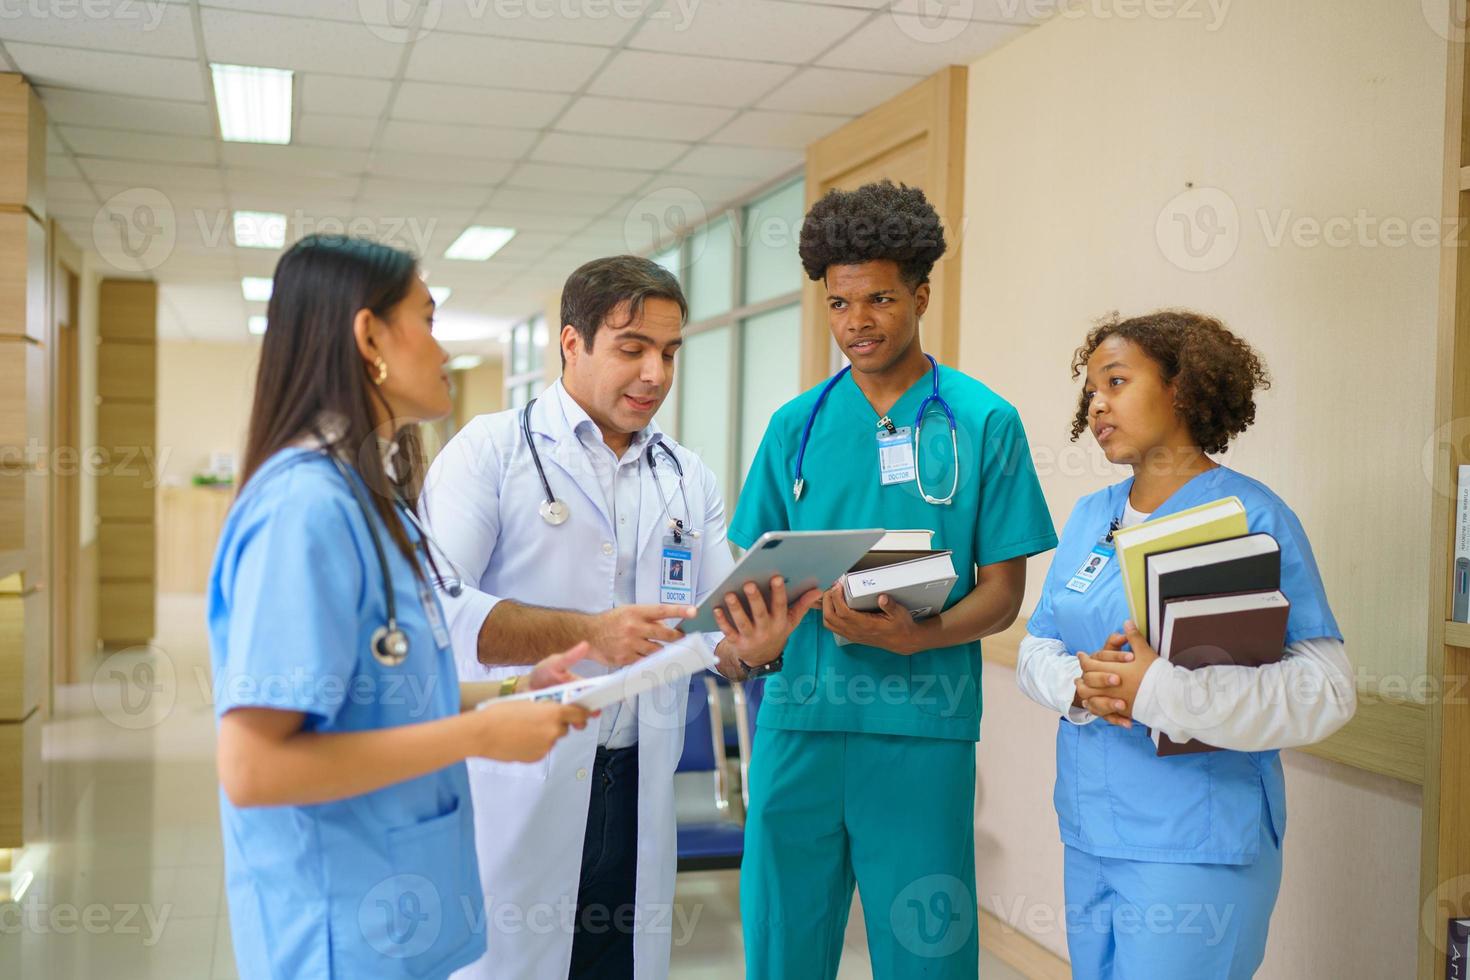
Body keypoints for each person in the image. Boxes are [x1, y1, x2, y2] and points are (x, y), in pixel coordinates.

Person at [422, 255, 818, 980]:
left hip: (637, 781)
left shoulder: (685, 475)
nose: (655, 374)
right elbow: (440, 614)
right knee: (509, 962)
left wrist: (754, 649)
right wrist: (590, 631)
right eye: (631, 349)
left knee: (614, 964)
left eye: (669, 352)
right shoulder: (488, 452)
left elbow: (712, 635)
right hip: (519, 774)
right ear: (572, 343)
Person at [208, 235, 592, 979]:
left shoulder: (368, 496)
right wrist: (478, 737)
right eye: (429, 318)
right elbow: (255, 767)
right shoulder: (303, 509)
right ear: (370, 336)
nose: (442, 348)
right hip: (337, 922)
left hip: (392, 910)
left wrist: (511, 691)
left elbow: (375, 694)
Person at [731, 180, 1058, 979]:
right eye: (839, 305)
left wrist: (920, 636)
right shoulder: (794, 427)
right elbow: (752, 582)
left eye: (878, 299)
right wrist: (755, 641)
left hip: (920, 727)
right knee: (782, 942)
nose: (857, 323)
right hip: (799, 722)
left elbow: (1004, 593)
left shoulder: (984, 422)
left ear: (919, 293)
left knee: (926, 953)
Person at [1014, 310, 1357, 978]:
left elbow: (1327, 688)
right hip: (1091, 833)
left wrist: (1159, 690)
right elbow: (1036, 646)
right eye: (1090, 390)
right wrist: (1078, 685)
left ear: (1182, 388)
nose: (1097, 403)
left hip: (1197, 845)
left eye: (1115, 381)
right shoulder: (1092, 516)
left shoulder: (1251, 517)